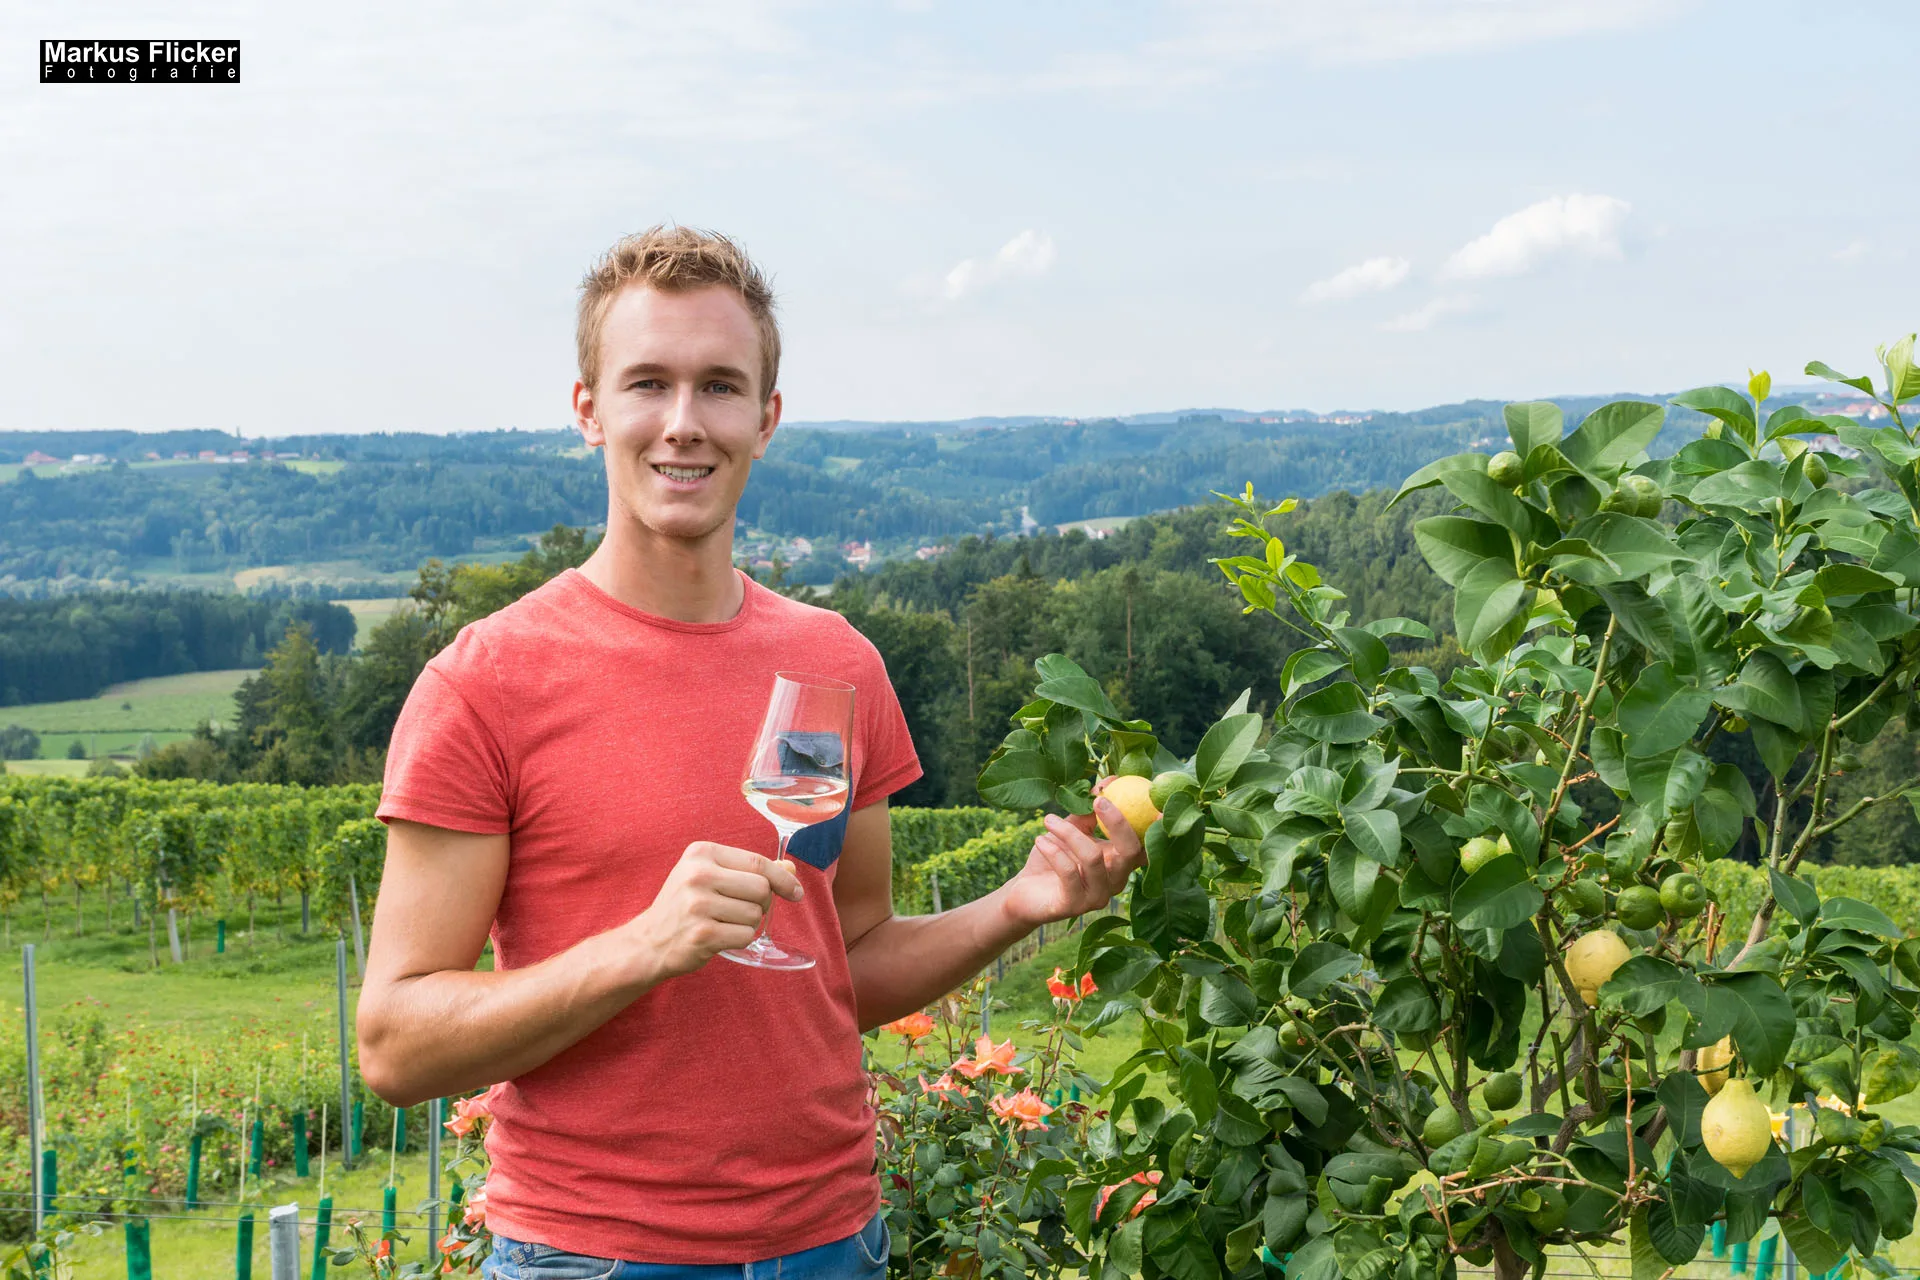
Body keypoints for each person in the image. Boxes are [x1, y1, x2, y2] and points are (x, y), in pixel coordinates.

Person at [357, 225, 1148, 1277]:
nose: (684, 424)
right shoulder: (486, 682)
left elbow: (845, 963)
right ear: (589, 408)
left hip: (830, 1243)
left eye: (720, 387)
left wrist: (1018, 905)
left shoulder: (837, 666)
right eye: (648, 383)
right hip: (593, 1256)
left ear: (765, 419)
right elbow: (396, 1043)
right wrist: (645, 945)